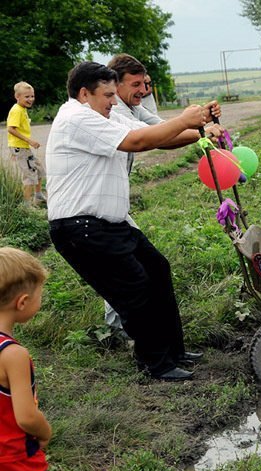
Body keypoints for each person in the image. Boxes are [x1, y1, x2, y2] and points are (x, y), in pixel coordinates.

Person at [46, 61, 216, 381]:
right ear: (84, 93)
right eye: (108, 94)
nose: (113, 101)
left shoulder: (101, 115)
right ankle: (156, 363)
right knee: (135, 287)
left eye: (114, 94)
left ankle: (173, 352)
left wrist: (199, 126)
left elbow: (153, 137)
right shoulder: (77, 117)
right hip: (81, 226)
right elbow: (137, 142)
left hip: (111, 222)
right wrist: (184, 119)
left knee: (157, 270)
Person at [100, 54, 222, 332]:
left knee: (137, 265)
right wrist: (197, 128)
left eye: (145, 83)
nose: (144, 90)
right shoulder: (114, 112)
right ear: (115, 84)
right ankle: (120, 328)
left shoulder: (132, 107)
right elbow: (148, 138)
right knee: (126, 267)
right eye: (136, 84)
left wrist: (203, 121)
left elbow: (163, 130)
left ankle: (124, 326)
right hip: (99, 205)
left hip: (116, 202)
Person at [0, 247, 52, 471]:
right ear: (22, 302)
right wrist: (45, 433)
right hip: (11, 457)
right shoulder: (12, 355)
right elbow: (26, 417)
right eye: (39, 295)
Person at [6, 82, 47, 207]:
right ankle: (27, 205)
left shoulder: (22, 109)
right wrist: (29, 141)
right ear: (17, 97)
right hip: (19, 148)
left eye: (32, 96)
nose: (31, 99)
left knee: (39, 169)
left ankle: (39, 195)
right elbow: (11, 129)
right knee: (29, 174)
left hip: (24, 147)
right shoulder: (16, 110)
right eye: (27, 97)